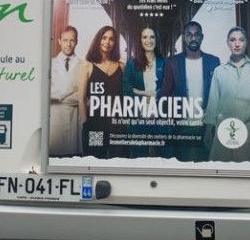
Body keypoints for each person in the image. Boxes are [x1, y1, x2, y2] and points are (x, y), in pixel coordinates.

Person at [159, 20, 220, 161]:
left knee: (204, 165)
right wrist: (168, 121)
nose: (193, 38)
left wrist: (212, 125)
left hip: (206, 126)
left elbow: (218, 95)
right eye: (189, 34)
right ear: (184, 37)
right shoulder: (172, 62)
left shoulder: (213, 62)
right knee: (183, 165)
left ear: (202, 37)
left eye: (197, 34)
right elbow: (164, 94)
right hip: (182, 126)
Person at [203, 26, 250, 162]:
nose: (237, 44)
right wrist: (208, 130)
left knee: (246, 168)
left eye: (241, 40)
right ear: (227, 43)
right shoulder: (219, 71)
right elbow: (213, 103)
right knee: (222, 168)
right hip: (224, 129)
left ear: (246, 42)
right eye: (233, 40)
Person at [78, 25, 125, 158]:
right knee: (95, 160)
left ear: (115, 43)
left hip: (117, 127)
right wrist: (86, 124)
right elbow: (81, 99)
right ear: (98, 40)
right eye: (104, 38)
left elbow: (125, 97)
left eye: (111, 39)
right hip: (95, 126)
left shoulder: (121, 66)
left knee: (119, 161)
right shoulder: (87, 65)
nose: (107, 42)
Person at [123, 27, 166, 156]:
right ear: (140, 40)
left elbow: (167, 90)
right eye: (145, 37)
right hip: (138, 119)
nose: (149, 40)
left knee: (162, 159)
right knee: (138, 158)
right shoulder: (131, 64)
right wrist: (154, 94)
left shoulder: (165, 63)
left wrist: (141, 92)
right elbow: (126, 91)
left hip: (160, 120)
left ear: (156, 40)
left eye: (152, 37)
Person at [49, 26, 82, 156]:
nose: (69, 44)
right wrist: (72, 93)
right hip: (54, 120)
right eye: (65, 40)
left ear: (76, 42)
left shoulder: (83, 65)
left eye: (72, 40)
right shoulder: (50, 64)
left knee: (72, 157)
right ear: (59, 41)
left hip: (74, 121)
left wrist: (58, 96)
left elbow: (85, 97)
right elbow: (45, 93)